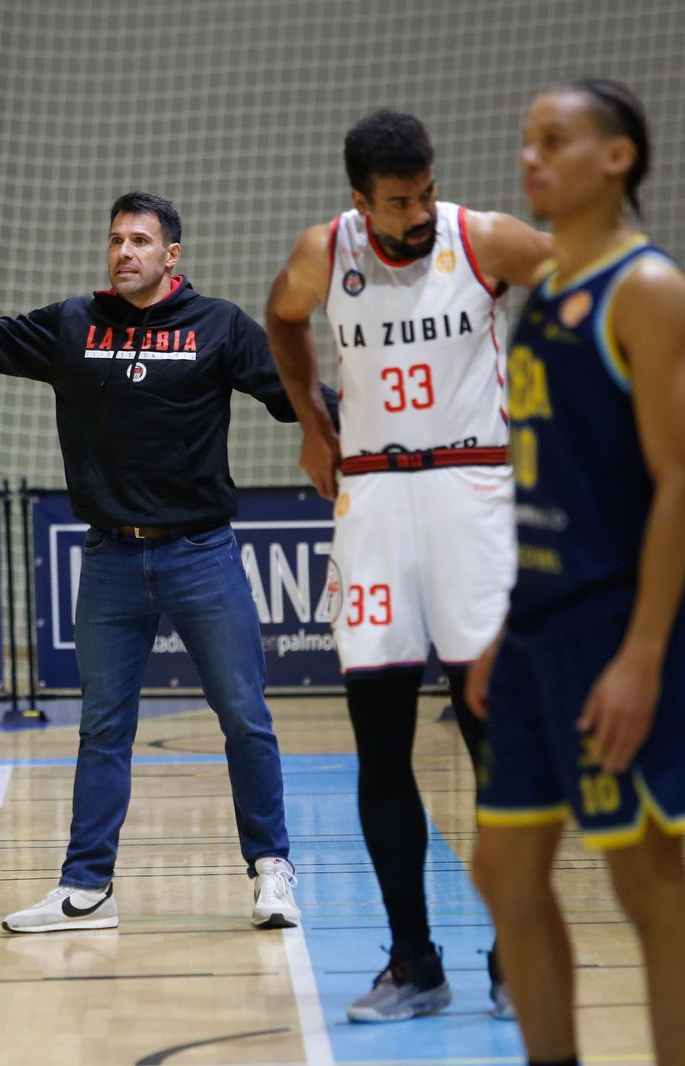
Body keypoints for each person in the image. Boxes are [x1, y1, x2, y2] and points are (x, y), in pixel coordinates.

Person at [0, 191, 332, 934]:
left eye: (141, 240)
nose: (125, 251)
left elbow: (297, 395)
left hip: (203, 554)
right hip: (110, 560)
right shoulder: (74, 324)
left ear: (172, 256)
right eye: (116, 239)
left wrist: (375, 415)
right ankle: (87, 889)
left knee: (244, 717)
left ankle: (272, 871)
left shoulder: (219, 326)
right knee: (103, 726)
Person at [265, 109, 551, 1023]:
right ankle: (414, 961)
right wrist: (314, 427)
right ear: (361, 201)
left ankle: (517, 954)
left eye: (426, 190)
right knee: (380, 740)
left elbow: (594, 274)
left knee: (492, 732)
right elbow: (281, 318)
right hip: (375, 500)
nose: (419, 210)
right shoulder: (324, 251)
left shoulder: (485, 238)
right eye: (400, 201)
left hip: (472, 487)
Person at [464, 79, 685, 1066]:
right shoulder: (551, 284)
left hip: (616, 622)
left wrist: (644, 650)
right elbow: (547, 476)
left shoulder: (647, 288)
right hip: (536, 625)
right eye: (525, 140)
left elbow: (682, 480)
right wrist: (502, 625)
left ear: (616, 158)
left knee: (646, 881)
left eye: (554, 140)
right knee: (502, 870)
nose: (530, 157)